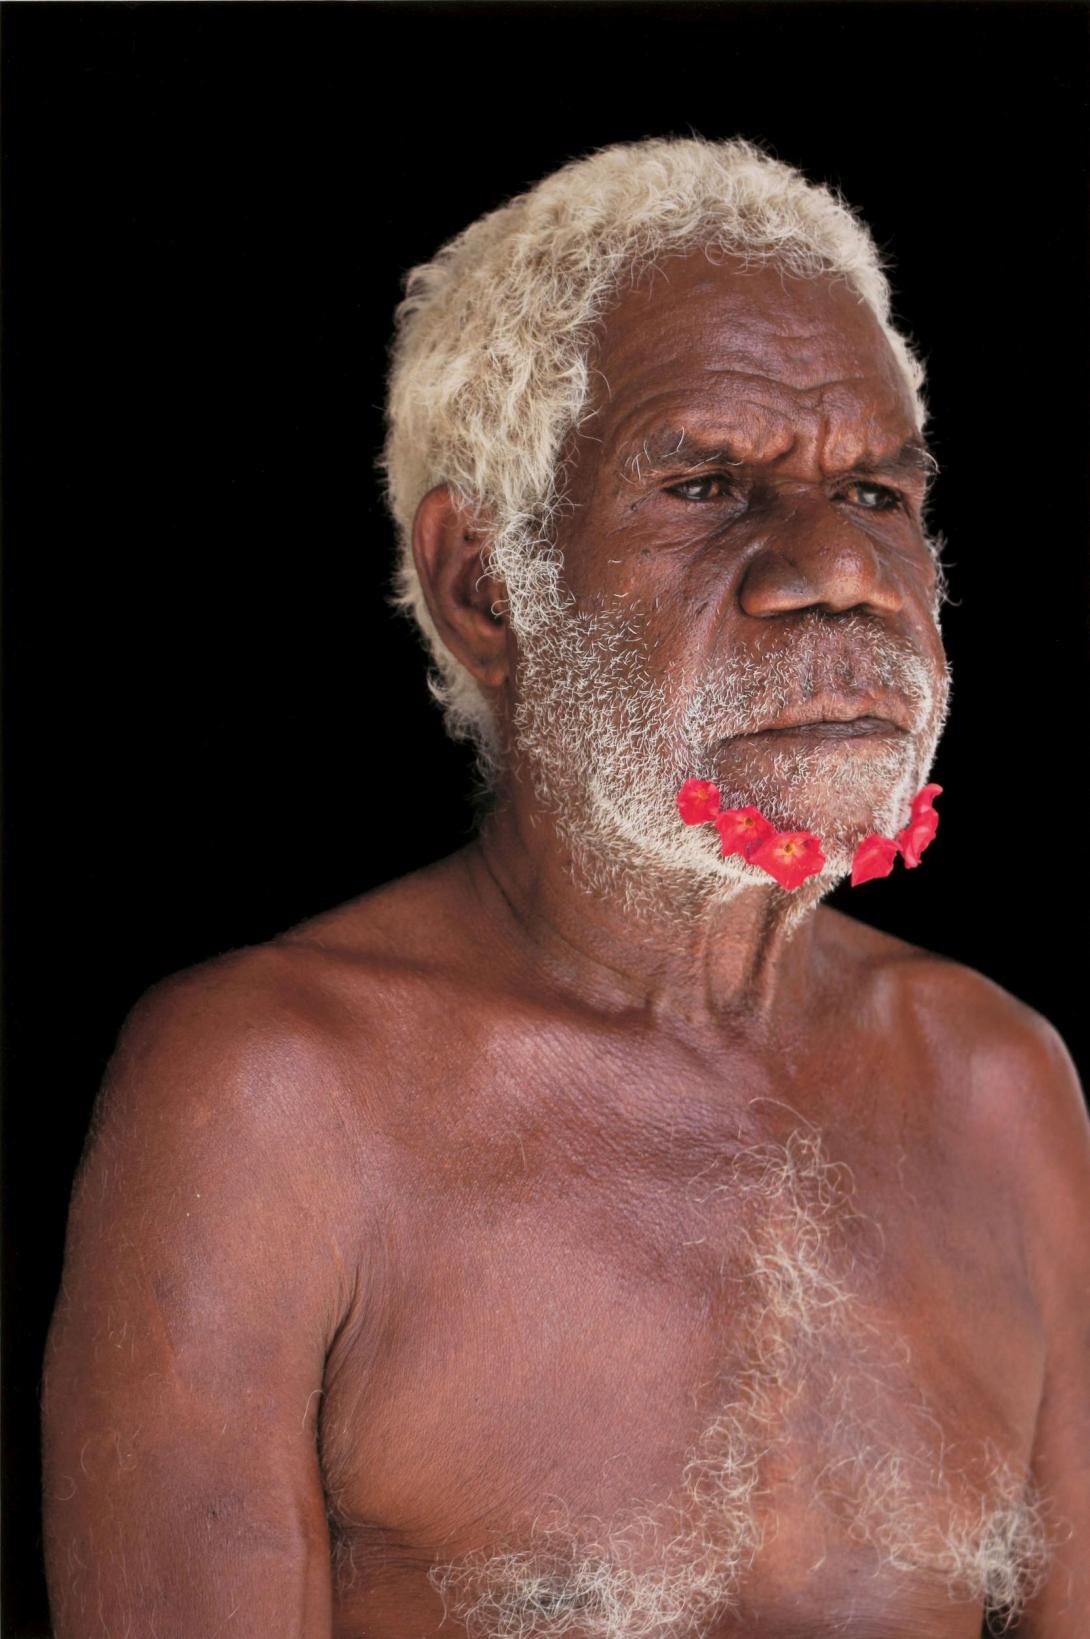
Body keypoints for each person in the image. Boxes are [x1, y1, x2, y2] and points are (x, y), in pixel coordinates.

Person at [41, 136, 1088, 1638]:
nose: (834, 570)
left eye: (874, 491)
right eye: (707, 484)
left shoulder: (1001, 1083)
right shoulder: (274, 1099)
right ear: (487, 588)